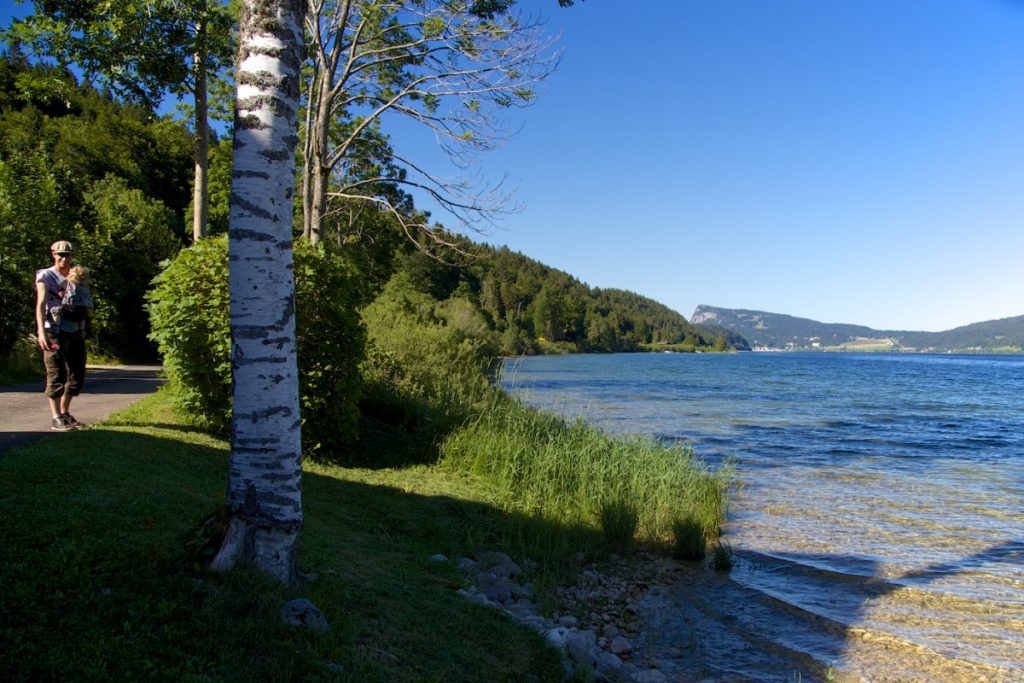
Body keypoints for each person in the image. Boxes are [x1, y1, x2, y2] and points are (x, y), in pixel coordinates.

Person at [35, 240, 92, 431]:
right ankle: (56, 418)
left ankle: (65, 413)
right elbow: (41, 303)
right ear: (53, 254)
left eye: (67, 254)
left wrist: (83, 329)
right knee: (56, 373)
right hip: (54, 331)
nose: (64, 258)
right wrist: (41, 331)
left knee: (77, 375)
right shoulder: (46, 275)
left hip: (75, 330)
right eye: (60, 254)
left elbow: (84, 304)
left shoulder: (77, 276)